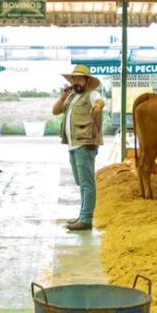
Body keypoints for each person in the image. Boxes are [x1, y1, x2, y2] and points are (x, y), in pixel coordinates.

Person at [52, 65, 105, 231]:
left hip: (85, 143)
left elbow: (100, 101)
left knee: (87, 183)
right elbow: (55, 111)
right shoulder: (71, 96)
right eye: (74, 79)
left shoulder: (92, 94)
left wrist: (97, 106)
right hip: (73, 144)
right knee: (81, 182)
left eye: (80, 79)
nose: (76, 82)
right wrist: (63, 97)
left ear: (87, 81)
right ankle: (83, 214)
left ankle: (86, 219)